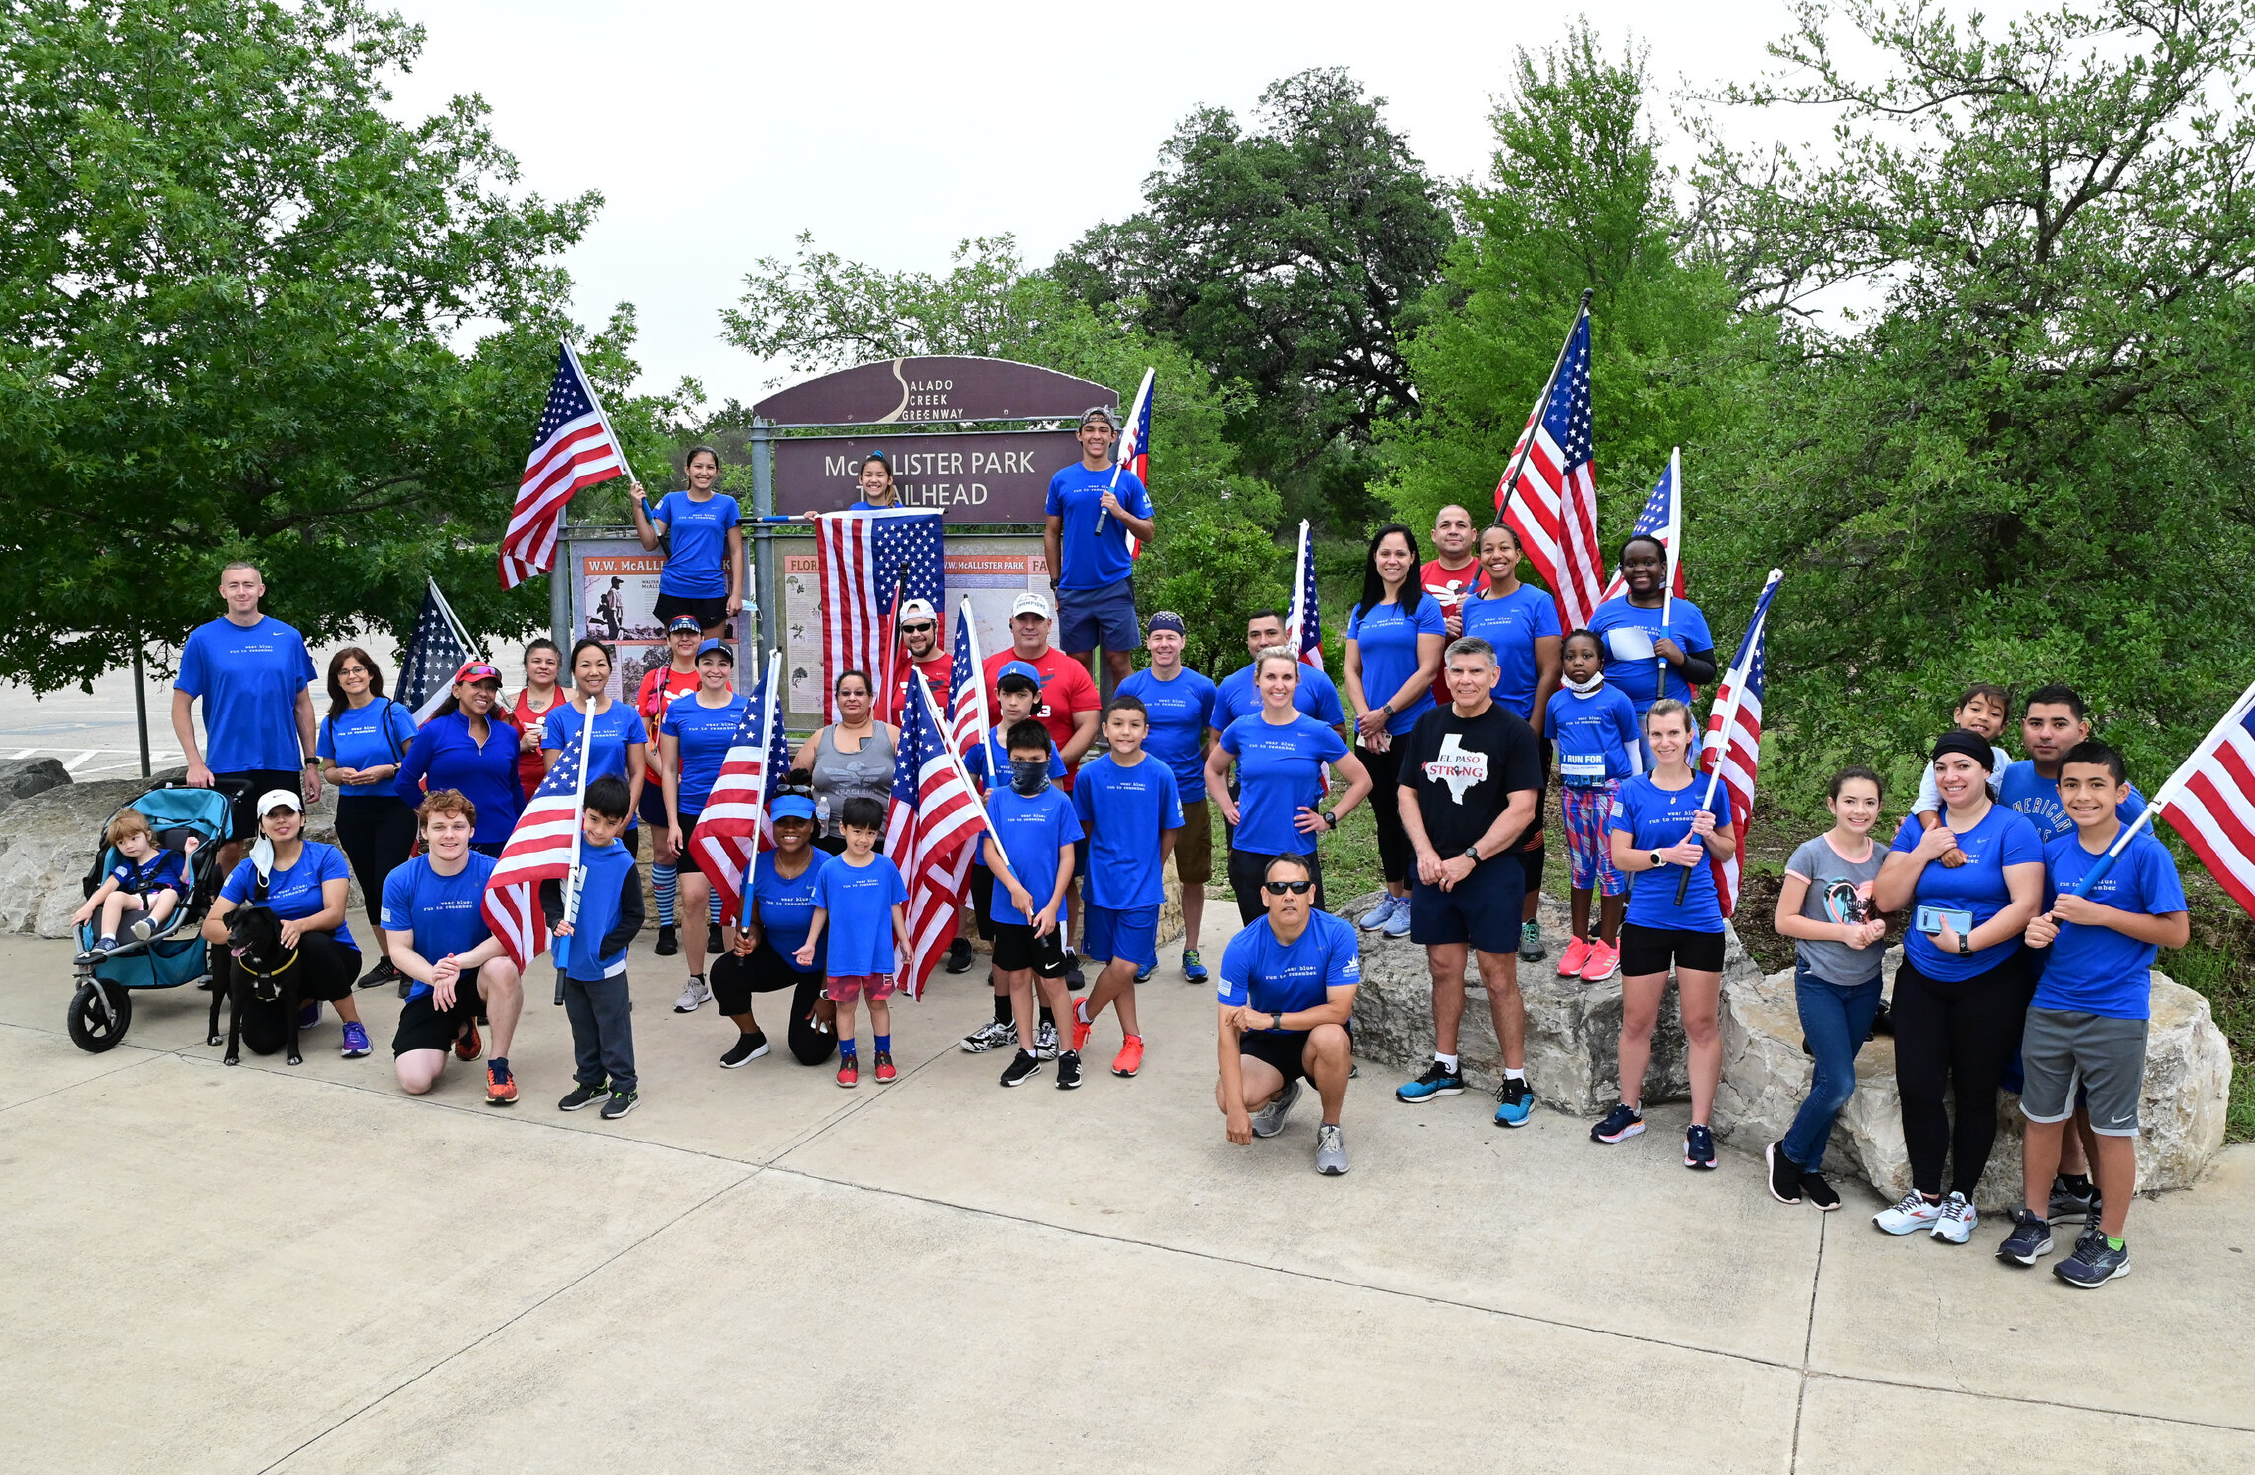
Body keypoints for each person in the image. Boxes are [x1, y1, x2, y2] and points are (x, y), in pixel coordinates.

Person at [1995, 742, 2188, 1288]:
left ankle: (2113, 1240)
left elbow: (2175, 932)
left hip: (2116, 1012)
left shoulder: (2145, 853)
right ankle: (2035, 1221)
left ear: (2121, 793)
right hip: (2052, 1005)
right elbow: (2042, 922)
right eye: (2072, 785)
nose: (2084, 795)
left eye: (2097, 785)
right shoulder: (2054, 851)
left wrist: (2101, 913)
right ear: (2060, 792)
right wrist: (2036, 933)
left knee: (2111, 1128)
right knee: (2042, 1117)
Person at [1869, 732, 2045, 1243]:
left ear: (1987, 772)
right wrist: (1922, 850)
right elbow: (1886, 897)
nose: (1951, 776)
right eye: (1942, 767)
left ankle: (1961, 1200)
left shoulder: (2014, 827)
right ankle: (1925, 1197)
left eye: (1963, 766)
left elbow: (2025, 903)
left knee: (1974, 1090)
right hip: (1922, 976)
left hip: (1989, 978)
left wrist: (1968, 943)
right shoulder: (1919, 828)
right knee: (1918, 1085)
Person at [1389, 637, 1545, 1127]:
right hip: (1435, 870)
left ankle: (1517, 1080)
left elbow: (1523, 809)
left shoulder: (1514, 732)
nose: (1466, 680)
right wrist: (1426, 854)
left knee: (1499, 978)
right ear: (1447, 675)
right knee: (1442, 967)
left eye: (1477, 671)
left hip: (1492, 871)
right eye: (1457, 671)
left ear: (1494, 677)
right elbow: (1407, 794)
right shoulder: (1429, 724)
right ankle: (1445, 1067)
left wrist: (1471, 857)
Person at [1595, 700, 1738, 1168]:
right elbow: (1619, 857)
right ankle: (1629, 1108)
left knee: (1701, 1025)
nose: (1665, 742)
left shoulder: (1710, 789)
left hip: (1699, 921)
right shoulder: (1632, 791)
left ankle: (1699, 1126)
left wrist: (1708, 834)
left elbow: (1726, 848)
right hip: (1647, 921)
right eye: (1656, 734)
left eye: (1673, 733)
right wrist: (1664, 856)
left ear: (1690, 736)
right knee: (1637, 1022)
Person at [1764, 767, 1891, 1210]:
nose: (1860, 810)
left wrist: (1877, 924)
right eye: (1850, 801)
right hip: (1819, 982)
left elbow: (1888, 912)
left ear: (1880, 806)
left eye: (1869, 802)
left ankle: (1811, 1168)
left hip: (1865, 985)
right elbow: (1785, 921)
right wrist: (1843, 934)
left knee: (1827, 1077)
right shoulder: (1810, 855)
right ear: (1832, 804)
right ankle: (1788, 1152)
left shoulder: (1885, 858)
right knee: (1839, 1082)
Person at [1216, 854, 1361, 1177]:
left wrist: (1271, 1019)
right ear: (1265, 895)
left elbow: (1339, 1010)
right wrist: (1237, 1111)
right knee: (1229, 1096)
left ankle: (1330, 1128)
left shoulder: (1337, 933)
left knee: (1332, 1037)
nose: (1289, 895)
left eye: (1298, 886)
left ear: (1311, 893)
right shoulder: (1242, 946)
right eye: (1278, 887)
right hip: (1268, 1042)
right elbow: (1227, 1031)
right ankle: (1281, 1094)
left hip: (1316, 1035)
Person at [1205, 649, 1374, 923]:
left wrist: (1329, 818)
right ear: (1257, 680)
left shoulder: (1317, 731)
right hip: (1249, 849)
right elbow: (1212, 769)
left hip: (1297, 851)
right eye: (1270, 676)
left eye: (1287, 677)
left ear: (1297, 681)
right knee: (1258, 933)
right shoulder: (1241, 729)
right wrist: (1226, 805)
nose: (1279, 685)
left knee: (1303, 935)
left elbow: (1362, 780)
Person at [171, 562, 321, 867]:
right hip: (228, 761)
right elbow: (180, 705)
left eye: (249, 585)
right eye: (235, 585)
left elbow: (302, 704)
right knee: (229, 843)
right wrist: (195, 763)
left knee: (285, 837)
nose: (242, 591)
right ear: (223, 591)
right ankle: (227, 910)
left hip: (280, 760)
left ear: (261, 590)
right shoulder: (203, 639)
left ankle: (280, 906)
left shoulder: (287, 636)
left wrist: (311, 764)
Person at [957, 662, 1073, 1057]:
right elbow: (962, 794)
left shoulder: (1044, 746)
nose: (1012, 700)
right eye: (1006, 692)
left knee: (1038, 951)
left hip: (1036, 866)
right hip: (992, 860)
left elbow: (1056, 795)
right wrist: (982, 801)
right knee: (1002, 950)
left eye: (1022, 693)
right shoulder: (982, 744)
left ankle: (1045, 1025)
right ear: (996, 696)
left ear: (1035, 698)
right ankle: (1004, 1019)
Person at [1462, 522, 1564, 963]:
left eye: (1504, 547)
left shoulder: (1538, 602)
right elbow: (1467, 667)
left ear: (1518, 553)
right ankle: (1484, 913)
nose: (1495, 555)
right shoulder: (1471, 606)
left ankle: (1527, 923)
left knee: (1525, 828)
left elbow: (1550, 670)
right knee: (1479, 821)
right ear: (1479, 556)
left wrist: (1534, 727)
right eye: (1487, 549)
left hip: (1523, 728)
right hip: (1476, 731)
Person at [382, 790, 524, 1104]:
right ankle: (462, 1028)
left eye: (458, 826)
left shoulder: (493, 871)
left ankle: (498, 1065)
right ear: (423, 832)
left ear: (471, 831)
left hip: (478, 977)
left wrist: (461, 962)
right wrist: (434, 974)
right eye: (439, 827)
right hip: (432, 985)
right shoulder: (400, 879)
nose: (449, 835)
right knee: (415, 1081)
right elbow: (399, 949)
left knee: (504, 967)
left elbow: (508, 937)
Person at [1068, 695, 1184, 1079]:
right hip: (1102, 886)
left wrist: (1152, 866)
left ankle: (1083, 1014)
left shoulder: (1161, 774)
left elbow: (1170, 829)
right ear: (1104, 730)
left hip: (1142, 889)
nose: (1125, 731)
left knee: (1128, 965)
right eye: (1117, 723)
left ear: (1146, 731)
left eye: (1134, 724)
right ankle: (1131, 1039)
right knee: (1116, 966)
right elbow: (1084, 829)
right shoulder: (1089, 776)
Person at [204, 790, 369, 1056]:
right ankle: (304, 1003)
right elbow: (210, 926)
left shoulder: (325, 855)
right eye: (272, 815)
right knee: (261, 1042)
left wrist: (298, 925)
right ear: (261, 825)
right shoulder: (248, 869)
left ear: (302, 819)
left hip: (332, 956)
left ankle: (353, 1025)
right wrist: (247, 936)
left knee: (310, 942)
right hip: (275, 966)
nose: (281, 821)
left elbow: (335, 913)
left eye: (288, 813)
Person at [1342, 524, 1446, 939]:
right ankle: (1395, 897)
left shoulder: (1424, 606)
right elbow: (1351, 669)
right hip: (1371, 731)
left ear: (1413, 559)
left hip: (1413, 726)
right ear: (1375, 558)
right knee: (1385, 816)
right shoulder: (1361, 611)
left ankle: (1418, 899)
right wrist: (1367, 718)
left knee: (1414, 816)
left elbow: (1428, 670)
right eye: (1385, 553)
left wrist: (1385, 712)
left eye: (1401, 554)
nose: (1392, 560)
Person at [1116, 611, 1220, 983]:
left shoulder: (1202, 687)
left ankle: (1191, 950)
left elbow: (1215, 737)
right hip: (1141, 797)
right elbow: (1119, 737)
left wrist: (1208, 769)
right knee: (1145, 875)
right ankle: (1143, 952)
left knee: (1193, 876)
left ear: (1182, 642)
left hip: (1189, 793)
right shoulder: (1132, 686)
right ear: (1148, 643)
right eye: (1157, 637)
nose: (1164, 644)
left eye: (1171, 637)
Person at [981, 720, 1084, 1089]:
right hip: (1008, 911)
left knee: (1053, 982)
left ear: (1048, 759)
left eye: (1036, 759)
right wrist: (1012, 886)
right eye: (1019, 759)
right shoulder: (998, 800)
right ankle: (1026, 1052)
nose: (1027, 765)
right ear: (1009, 760)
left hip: (1046, 915)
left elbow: (1067, 858)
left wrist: (1054, 905)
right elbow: (989, 849)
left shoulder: (1059, 802)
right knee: (1019, 979)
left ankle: (1068, 1053)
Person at [315, 647, 418, 991]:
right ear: (337, 681)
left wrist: (387, 770)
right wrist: (339, 774)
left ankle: (410, 962)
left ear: (371, 674)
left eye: (358, 669)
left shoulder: (393, 712)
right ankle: (390, 960)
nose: (352, 676)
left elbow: (417, 763)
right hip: (353, 812)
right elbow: (326, 770)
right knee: (370, 887)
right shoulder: (331, 721)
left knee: (388, 882)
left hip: (393, 808)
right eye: (344, 672)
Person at [660, 639, 752, 1014]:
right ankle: (697, 981)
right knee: (695, 898)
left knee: (733, 899)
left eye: (723, 663)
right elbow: (667, 769)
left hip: (733, 813)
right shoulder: (678, 710)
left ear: (731, 668)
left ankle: (734, 975)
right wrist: (671, 823)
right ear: (696, 666)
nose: (715, 669)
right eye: (708, 662)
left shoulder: (746, 709)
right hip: (692, 815)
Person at [546, 775, 646, 1120]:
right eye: (593, 819)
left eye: (610, 822)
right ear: (583, 813)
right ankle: (591, 1081)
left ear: (622, 823)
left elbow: (635, 915)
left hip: (605, 965)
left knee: (612, 1026)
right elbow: (548, 890)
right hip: (568, 959)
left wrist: (606, 947)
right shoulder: (567, 851)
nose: (599, 829)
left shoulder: (622, 862)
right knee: (582, 1027)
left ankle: (624, 1085)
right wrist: (554, 918)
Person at [796, 796, 910, 1089]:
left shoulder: (886, 867)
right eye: (857, 831)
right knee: (845, 1007)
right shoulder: (830, 870)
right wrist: (810, 943)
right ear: (842, 828)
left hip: (878, 954)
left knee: (878, 1004)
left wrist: (905, 940)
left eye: (871, 832)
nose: (864, 839)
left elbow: (895, 905)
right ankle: (849, 1059)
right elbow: (821, 908)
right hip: (842, 955)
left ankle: (883, 1056)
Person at [715, 794, 837, 1068]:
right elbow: (753, 921)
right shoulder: (757, 867)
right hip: (780, 955)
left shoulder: (829, 868)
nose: (790, 829)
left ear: (813, 826)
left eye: (799, 823)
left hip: (821, 967)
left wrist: (827, 994)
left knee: (810, 1051)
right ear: (773, 827)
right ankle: (752, 1038)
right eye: (783, 823)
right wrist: (751, 937)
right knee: (725, 971)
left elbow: (841, 937)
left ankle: (837, 1013)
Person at [1546, 629, 1640, 982]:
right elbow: (1557, 745)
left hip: (1611, 793)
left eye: (1586, 656)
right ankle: (1579, 940)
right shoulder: (1557, 703)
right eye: (1570, 657)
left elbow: (1632, 749)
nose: (1578, 663)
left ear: (1601, 661)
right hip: (1574, 795)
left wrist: (1632, 796)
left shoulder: (1617, 700)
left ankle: (1609, 944)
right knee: (1580, 865)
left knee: (1610, 865)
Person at [1045, 405, 1156, 688]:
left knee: (1119, 664)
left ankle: (1124, 728)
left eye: (1103, 431)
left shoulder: (1127, 480)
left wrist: (1120, 512)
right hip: (1074, 589)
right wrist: (1056, 584)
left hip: (1114, 585)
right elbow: (1051, 533)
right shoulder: (1062, 479)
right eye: (1091, 430)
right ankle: (1086, 731)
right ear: (1079, 435)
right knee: (1078, 665)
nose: (1097, 436)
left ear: (1113, 437)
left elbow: (1149, 532)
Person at [1586, 536, 1718, 758]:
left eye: (1648, 563)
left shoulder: (1686, 613)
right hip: (1612, 718)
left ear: (1663, 568)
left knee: (1664, 789)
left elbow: (1708, 672)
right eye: (1631, 564)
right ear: (1622, 569)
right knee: (1617, 790)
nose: (1640, 569)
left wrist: (1680, 659)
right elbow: (1587, 661)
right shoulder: (1605, 613)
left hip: (1666, 721)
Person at [635, 615, 712, 957]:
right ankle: (667, 925)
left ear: (700, 641)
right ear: (668, 640)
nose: (684, 640)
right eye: (678, 634)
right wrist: (664, 770)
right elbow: (643, 731)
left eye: (691, 635)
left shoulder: (711, 672)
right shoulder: (655, 678)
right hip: (658, 777)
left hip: (702, 782)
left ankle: (717, 926)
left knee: (711, 853)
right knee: (666, 852)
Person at [393, 662, 522, 856]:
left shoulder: (508, 734)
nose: (484, 693)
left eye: (491, 688)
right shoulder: (433, 731)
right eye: (476, 685)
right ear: (456, 690)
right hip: (450, 840)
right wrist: (433, 816)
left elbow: (514, 786)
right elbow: (404, 782)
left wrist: (523, 827)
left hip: (502, 838)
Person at [542, 640, 650, 854]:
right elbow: (553, 776)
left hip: (619, 824)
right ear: (573, 670)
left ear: (609, 669)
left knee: (619, 886)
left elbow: (638, 772)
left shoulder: (628, 715)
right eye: (585, 665)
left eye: (600, 664)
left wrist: (623, 818)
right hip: (574, 825)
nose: (594, 672)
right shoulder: (557, 718)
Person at [1998, 685, 2147, 841]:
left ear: (2081, 731)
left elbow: (2146, 856)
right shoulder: (2009, 775)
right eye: (2036, 723)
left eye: (2059, 725)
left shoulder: (2111, 790)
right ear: (2023, 726)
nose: (2045, 734)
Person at [630, 445, 743, 638]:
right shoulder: (672, 500)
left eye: (710, 467)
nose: (704, 473)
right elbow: (650, 543)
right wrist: (637, 507)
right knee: (681, 660)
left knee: (711, 659)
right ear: (687, 469)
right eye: (698, 466)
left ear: (717, 471)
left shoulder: (728, 504)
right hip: (675, 589)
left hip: (711, 590)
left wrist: (736, 594)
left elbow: (736, 550)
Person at [792, 670, 897, 853]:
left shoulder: (892, 735)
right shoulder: (820, 737)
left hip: (881, 841)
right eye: (846, 693)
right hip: (826, 840)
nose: (852, 698)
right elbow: (794, 783)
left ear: (870, 698)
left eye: (859, 693)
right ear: (837, 698)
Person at [73, 810, 188, 957]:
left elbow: (186, 879)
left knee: (169, 893)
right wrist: (89, 906)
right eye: (121, 843)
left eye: (134, 839)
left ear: (148, 835)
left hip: (164, 898)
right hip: (136, 900)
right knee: (114, 896)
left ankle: (150, 923)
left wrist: (189, 854)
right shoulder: (126, 865)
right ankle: (108, 939)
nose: (128, 846)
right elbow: (109, 886)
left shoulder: (171, 856)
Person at [1213, 610, 1348, 735]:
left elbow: (1338, 732)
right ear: (1247, 641)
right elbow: (1216, 739)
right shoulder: (1230, 684)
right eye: (1255, 635)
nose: (1263, 641)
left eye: (1271, 633)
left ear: (1286, 637)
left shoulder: (1318, 681)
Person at [1912, 684, 2010, 839]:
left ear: (2002, 727)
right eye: (1976, 709)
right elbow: (1926, 806)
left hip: (1994, 835)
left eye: (1994, 714)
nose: (1983, 717)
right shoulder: (1941, 762)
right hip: (1956, 833)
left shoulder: (2002, 758)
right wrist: (1945, 845)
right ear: (1958, 714)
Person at [879, 597, 955, 726]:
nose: (915, 634)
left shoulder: (955, 669)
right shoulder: (894, 673)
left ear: (935, 626)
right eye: (908, 629)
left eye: (923, 627)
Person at [509, 638, 565, 801]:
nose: (543, 666)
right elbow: (497, 750)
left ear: (558, 667)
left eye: (550, 662)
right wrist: (519, 746)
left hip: (560, 788)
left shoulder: (572, 699)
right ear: (526, 666)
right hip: (519, 789)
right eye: (536, 661)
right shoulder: (509, 703)